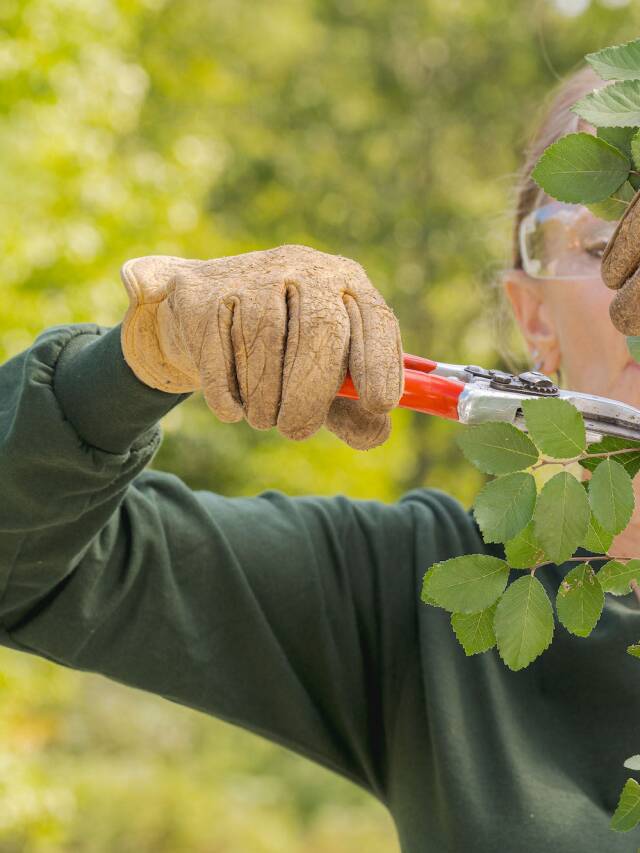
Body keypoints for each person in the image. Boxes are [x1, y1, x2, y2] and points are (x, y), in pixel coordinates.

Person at [2, 62, 639, 852]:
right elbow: (24, 569)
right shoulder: (425, 591)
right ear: (532, 315)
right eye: (608, 242)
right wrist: (145, 356)